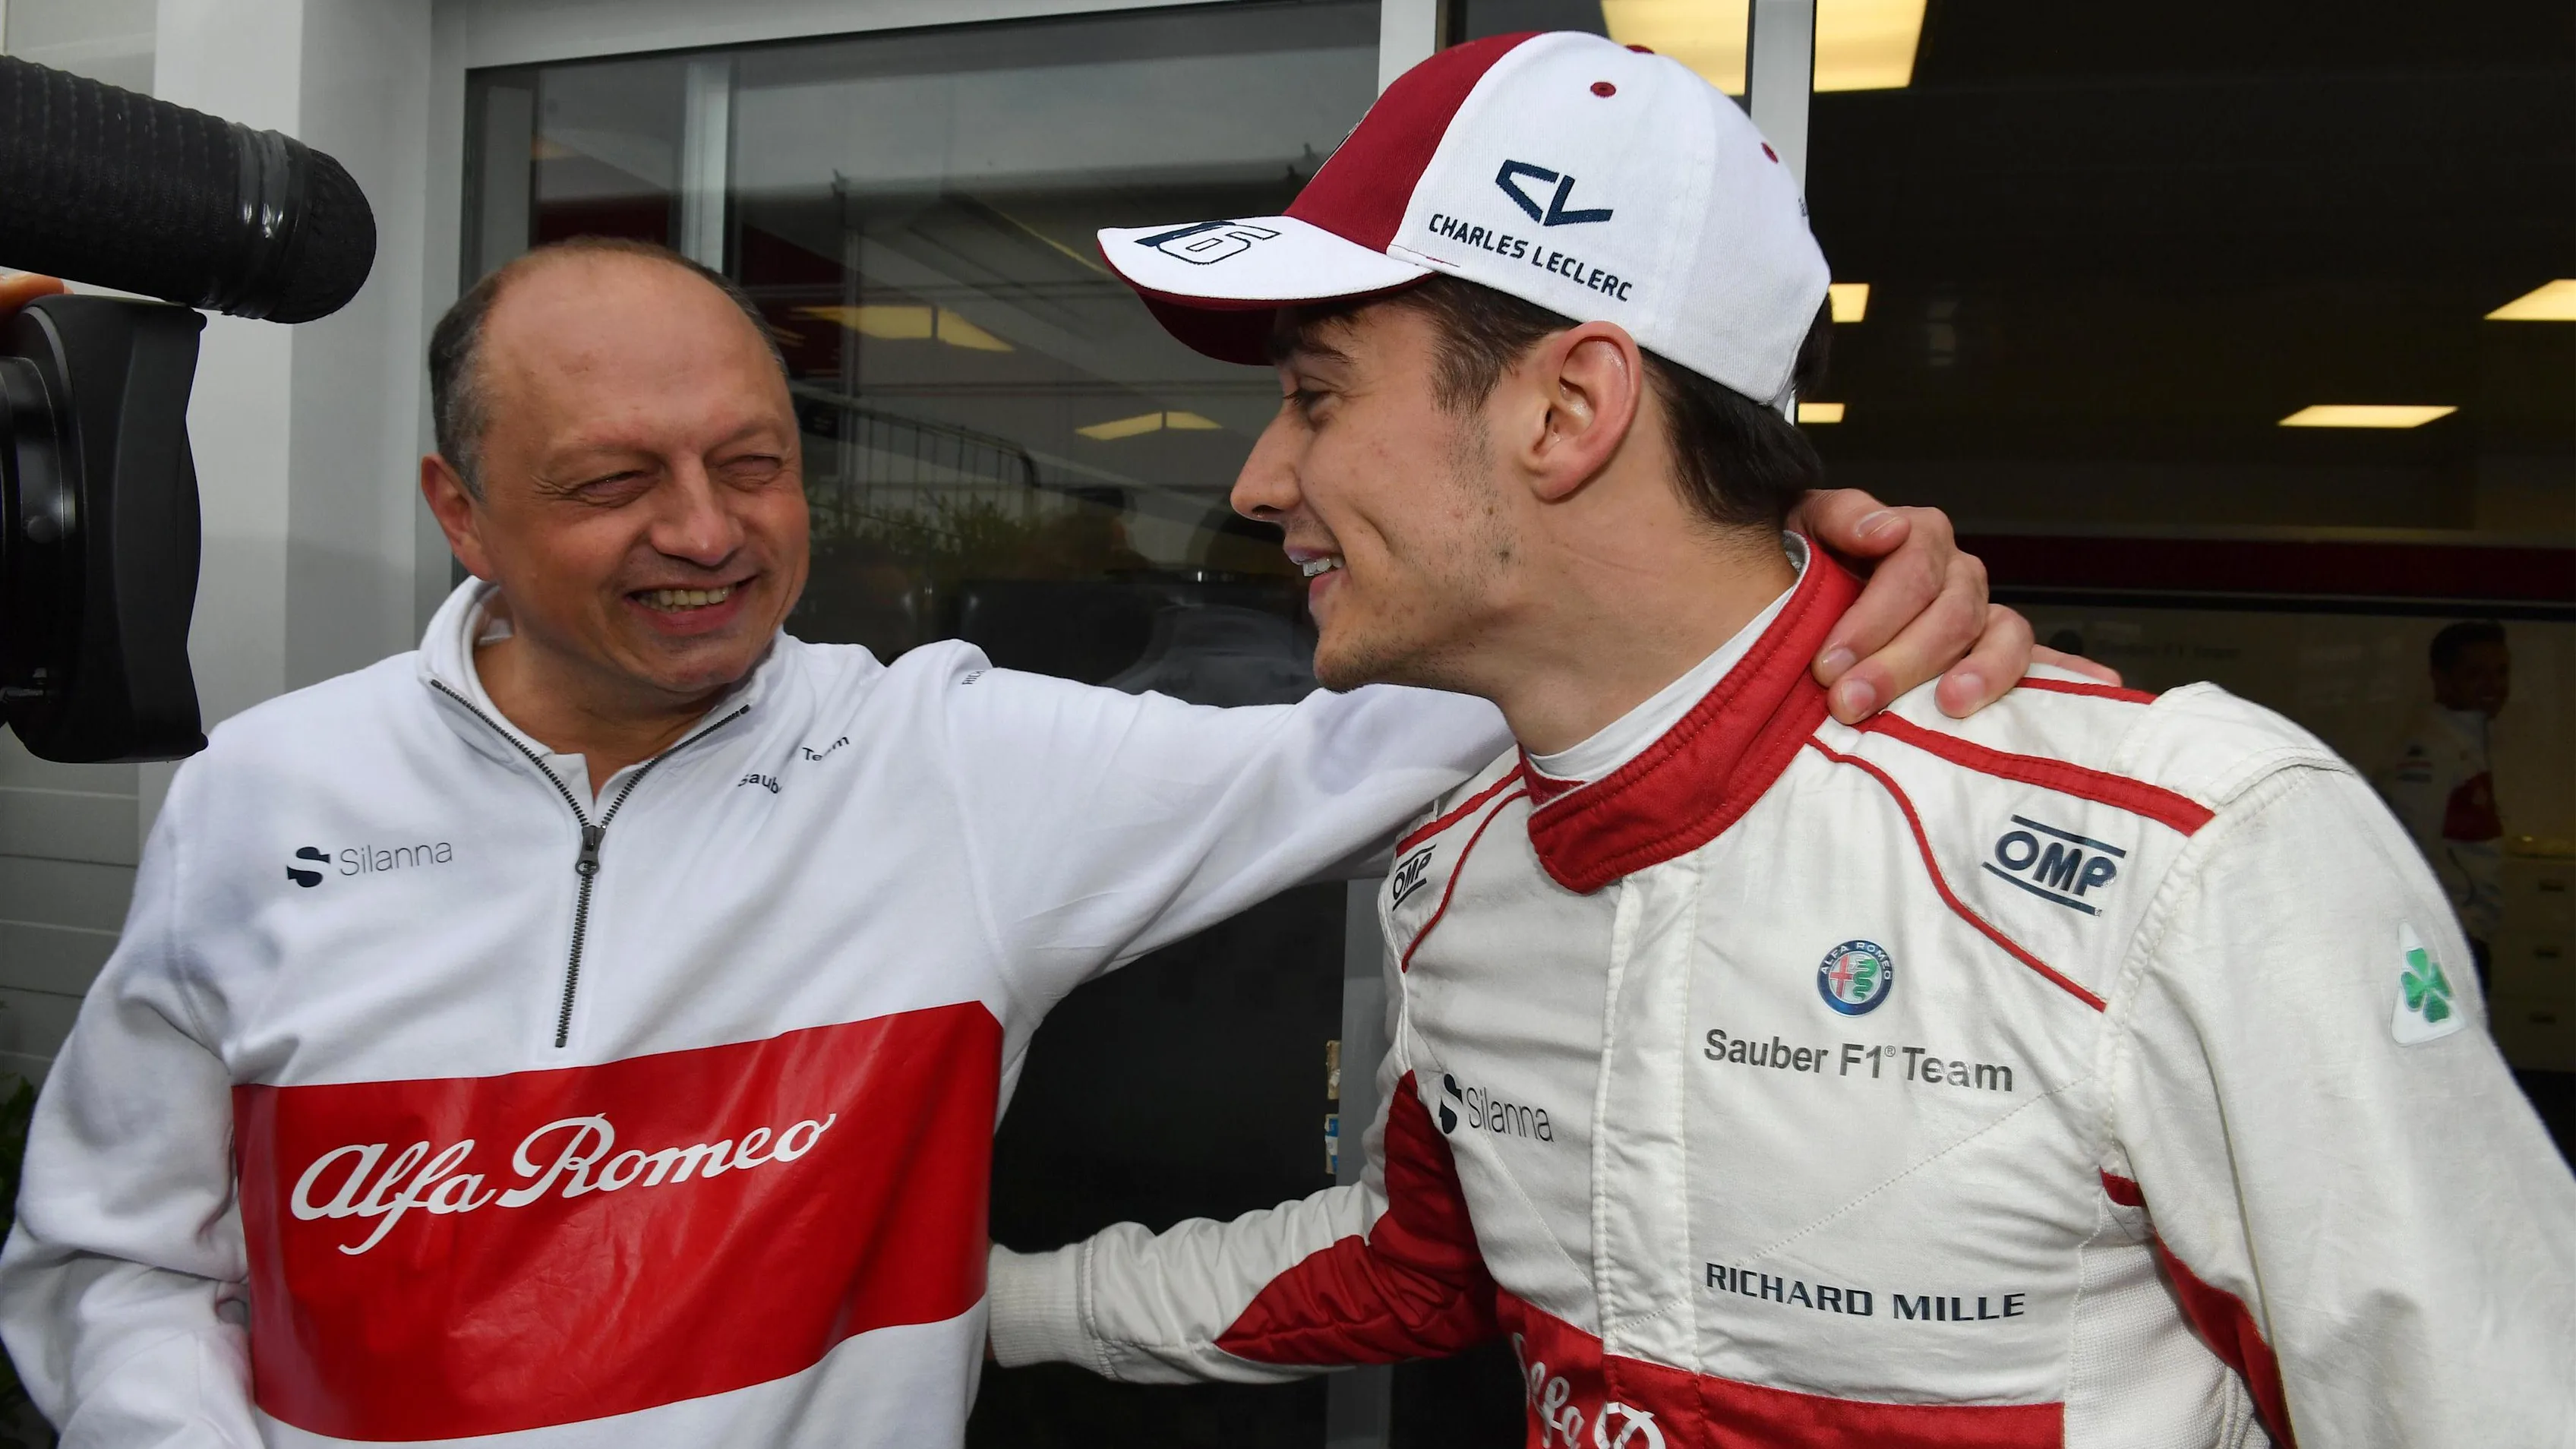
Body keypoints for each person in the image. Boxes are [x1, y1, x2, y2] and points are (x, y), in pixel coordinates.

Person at [0, 241, 2041, 1448]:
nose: (705, 531)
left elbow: (1469, 691)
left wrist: (1780, 575)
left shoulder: (949, 766)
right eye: (616, 481)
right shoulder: (269, 797)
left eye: (752, 463)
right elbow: (115, 1252)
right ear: (460, 510)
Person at [984, 32, 2576, 1446]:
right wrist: (974, 1302)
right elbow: (1414, 1261)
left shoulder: (2192, 850)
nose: (1257, 484)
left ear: (1566, 410)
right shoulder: (1456, 867)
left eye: (1318, 395)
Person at [2375, 620, 2511, 993]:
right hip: (2445, 941)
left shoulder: (2468, 743)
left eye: (2501, 672)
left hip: (2465, 936)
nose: (2494, 685)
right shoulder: (2433, 750)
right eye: (2476, 674)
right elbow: (2408, 851)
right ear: (2442, 679)